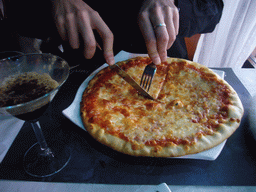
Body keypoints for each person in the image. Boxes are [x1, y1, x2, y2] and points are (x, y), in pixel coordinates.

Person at [9, 0, 223, 65]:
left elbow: (213, 12)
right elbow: (18, 15)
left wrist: (174, 3)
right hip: (83, 70)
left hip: (166, 69)